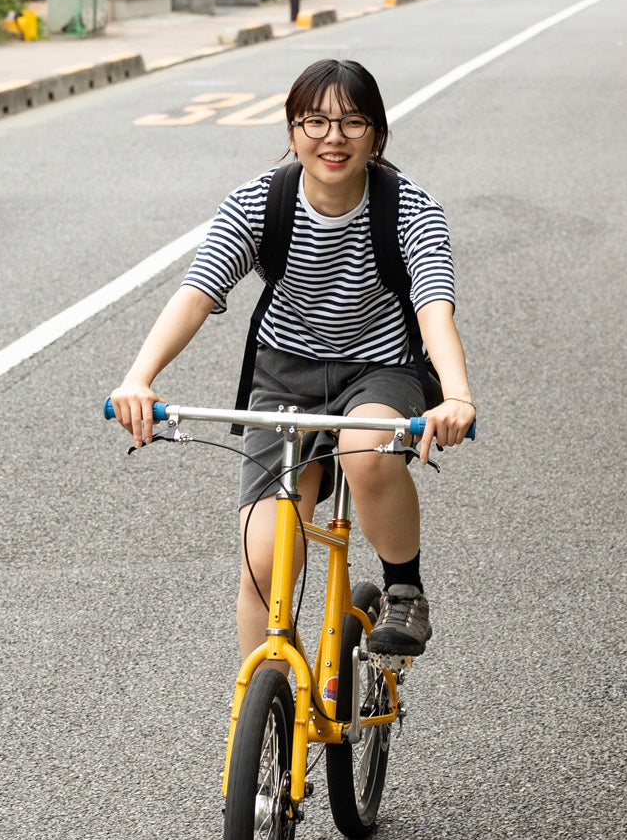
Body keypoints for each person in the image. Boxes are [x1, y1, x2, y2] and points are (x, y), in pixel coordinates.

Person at [110, 59, 474, 661]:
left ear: (377, 136)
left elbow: (435, 305)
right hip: (284, 373)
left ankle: (403, 588)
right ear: (291, 131)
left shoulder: (408, 207)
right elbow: (197, 292)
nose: (334, 138)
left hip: (380, 368)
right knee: (264, 562)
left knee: (368, 453)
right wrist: (138, 378)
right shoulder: (261, 202)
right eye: (315, 122)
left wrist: (456, 394)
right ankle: (267, 714)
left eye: (353, 123)